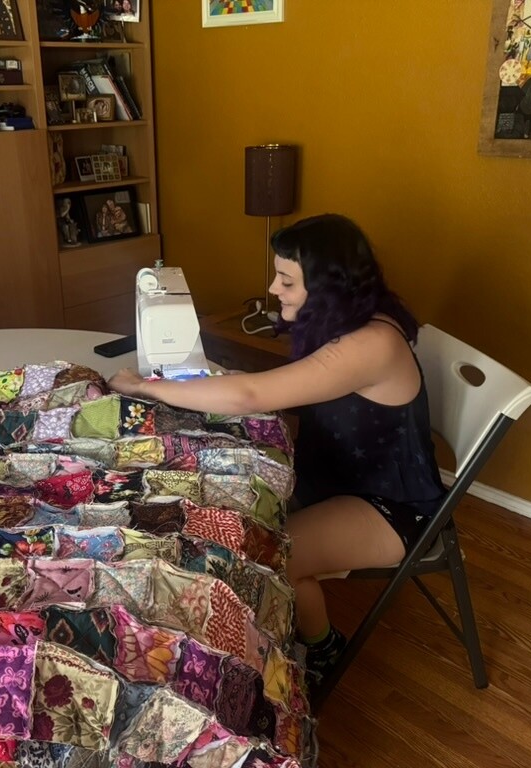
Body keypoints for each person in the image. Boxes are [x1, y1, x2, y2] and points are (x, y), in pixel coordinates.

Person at [106, 213, 446, 683]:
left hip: (392, 504)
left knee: (266, 556)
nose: (272, 289)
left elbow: (251, 396)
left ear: (328, 287)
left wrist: (147, 387)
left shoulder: (372, 343)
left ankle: (323, 648)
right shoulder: (345, 324)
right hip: (335, 478)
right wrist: (220, 380)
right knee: (227, 511)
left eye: (286, 280)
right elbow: (274, 388)